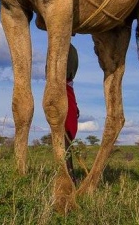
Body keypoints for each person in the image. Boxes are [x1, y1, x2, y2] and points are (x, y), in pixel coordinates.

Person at [64, 44, 80, 181]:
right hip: (63, 89)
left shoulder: (70, 50)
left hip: (67, 89)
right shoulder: (69, 49)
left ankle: (70, 175)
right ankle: (69, 175)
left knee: (68, 135)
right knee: (66, 136)